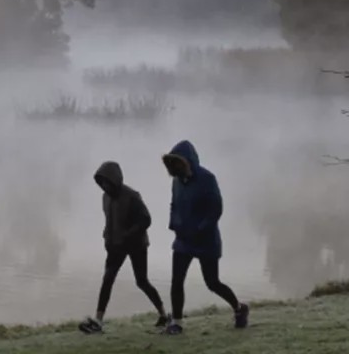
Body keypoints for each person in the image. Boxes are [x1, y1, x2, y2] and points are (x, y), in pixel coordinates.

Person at [161, 140, 249, 335]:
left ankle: (239, 308)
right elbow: (174, 205)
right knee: (177, 281)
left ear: (187, 162)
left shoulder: (207, 179)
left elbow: (216, 209)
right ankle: (176, 322)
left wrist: (200, 229)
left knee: (212, 283)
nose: (174, 168)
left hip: (206, 241)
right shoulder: (176, 182)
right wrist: (173, 224)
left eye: (177, 163)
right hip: (183, 241)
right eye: (171, 164)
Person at [79, 161, 169, 334]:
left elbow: (146, 220)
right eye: (101, 182)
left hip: (137, 245)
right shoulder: (105, 197)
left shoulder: (132, 196)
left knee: (142, 281)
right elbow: (109, 221)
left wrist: (128, 234)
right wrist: (107, 238)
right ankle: (98, 320)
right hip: (115, 247)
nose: (104, 186)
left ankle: (164, 315)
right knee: (107, 279)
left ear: (115, 180)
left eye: (107, 182)